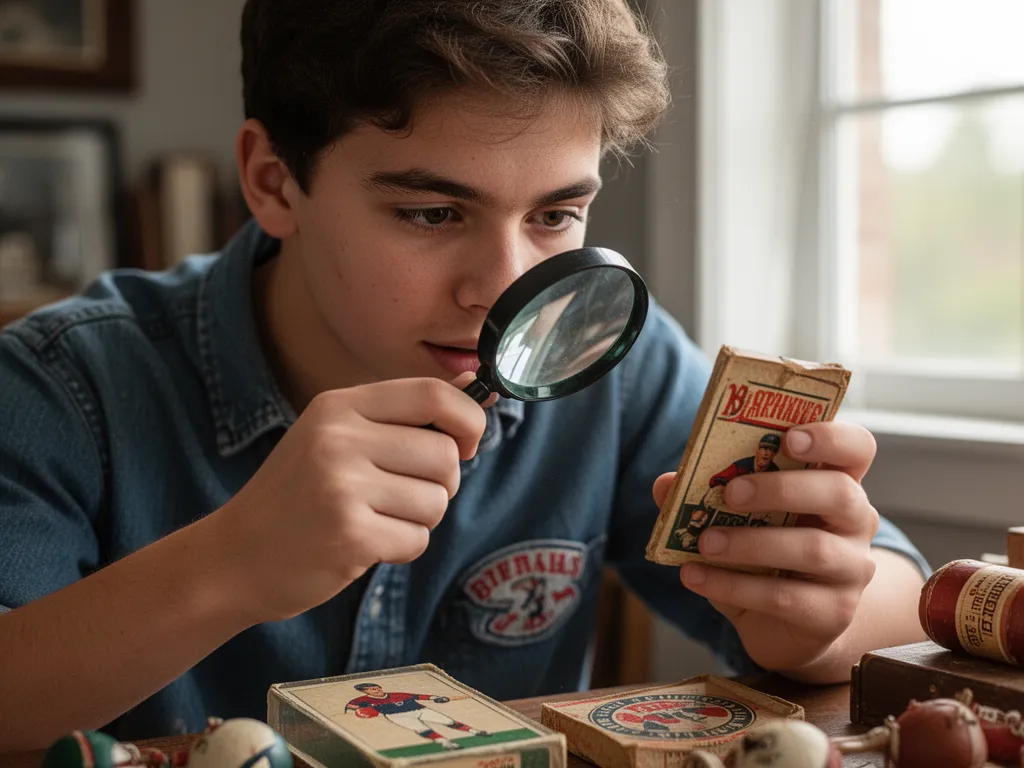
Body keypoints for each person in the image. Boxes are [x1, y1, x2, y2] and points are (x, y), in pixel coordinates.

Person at [0, 0, 931, 752]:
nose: (509, 291)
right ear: (274, 181)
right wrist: (231, 564)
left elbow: (897, 592)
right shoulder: (63, 384)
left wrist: (818, 620)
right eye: (432, 213)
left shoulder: (609, 358)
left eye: (558, 214)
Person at [344, 683, 487, 750]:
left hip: (419, 710)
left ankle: (475, 732)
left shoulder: (397, 694)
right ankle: (445, 743)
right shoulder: (362, 700)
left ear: (380, 688)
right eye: (370, 690)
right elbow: (349, 707)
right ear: (365, 692)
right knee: (421, 730)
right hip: (396, 716)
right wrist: (360, 711)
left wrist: (435, 697)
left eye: (375, 688)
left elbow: (419, 695)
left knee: (449, 722)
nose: (375, 691)